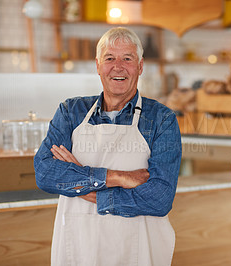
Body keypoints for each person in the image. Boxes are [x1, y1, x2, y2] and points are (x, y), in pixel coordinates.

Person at [34, 27, 182, 266]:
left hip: (137, 252)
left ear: (141, 66)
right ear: (98, 65)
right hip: (78, 247)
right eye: (110, 58)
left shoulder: (161, 119)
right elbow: (45, 174)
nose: (118, 66)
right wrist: (119, 177)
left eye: (127, 58)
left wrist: (83, 185)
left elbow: (159, 198)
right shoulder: (71, 112)